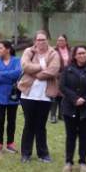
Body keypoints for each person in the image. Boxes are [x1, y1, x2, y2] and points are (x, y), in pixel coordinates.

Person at [18, 30, 61, 163]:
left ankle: (43, 154)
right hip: (28, 95)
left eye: (43, 39)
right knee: (29, 125)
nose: (41, 42)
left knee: (41, 126)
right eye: (38, 40)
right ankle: (26, 154)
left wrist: (36, 73)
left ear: (47, 40)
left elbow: (53, 70)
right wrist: (42, 66)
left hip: (45, 96)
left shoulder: (53, 53)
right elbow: (25, 66)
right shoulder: (28, 52)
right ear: (35, 41)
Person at [59, 45, 86, 172]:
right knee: (70, 136)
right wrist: (75, 98)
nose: (82, 55)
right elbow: (62, 86)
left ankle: (83, 161)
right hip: (69, 107)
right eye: (80, 53)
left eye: (84, 53)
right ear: (75, 56)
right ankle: (68, 162)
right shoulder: (67, 70)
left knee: (84, 135)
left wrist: (84, 99)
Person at [0, 40, 21, 154]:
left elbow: (18, 73)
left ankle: (10, 144)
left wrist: (2, 74)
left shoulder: (17, 60)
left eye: (0, 48)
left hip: (13, 95)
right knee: (0, 120)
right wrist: (10, 75)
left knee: (11, 120)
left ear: (7, 49)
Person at [50, 34, 70, 124]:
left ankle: (61, 114)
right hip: (56, 76)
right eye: (58, 40)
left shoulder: (70, 50)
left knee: (63, 95)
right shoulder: (53, 51)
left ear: (66, 41)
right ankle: (53, 115)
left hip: (67, 76)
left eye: (62, 40)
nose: (60, 42)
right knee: (55, 95)